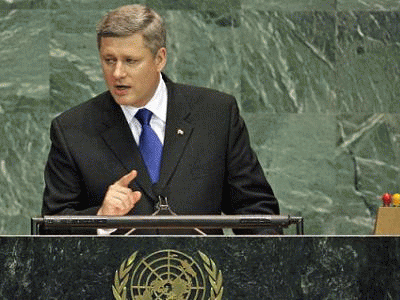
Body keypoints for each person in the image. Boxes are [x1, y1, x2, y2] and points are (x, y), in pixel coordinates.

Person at [41, 4, 281, 235]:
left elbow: (255, 208)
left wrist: (270, 254)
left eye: (130, 61)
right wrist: (101, 219)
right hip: (114, 275)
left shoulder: (216, 114)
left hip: (202, 273)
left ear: (160, 59)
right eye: (109, 60)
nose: (117, 73)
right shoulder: (72, 129)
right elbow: (52, 227)